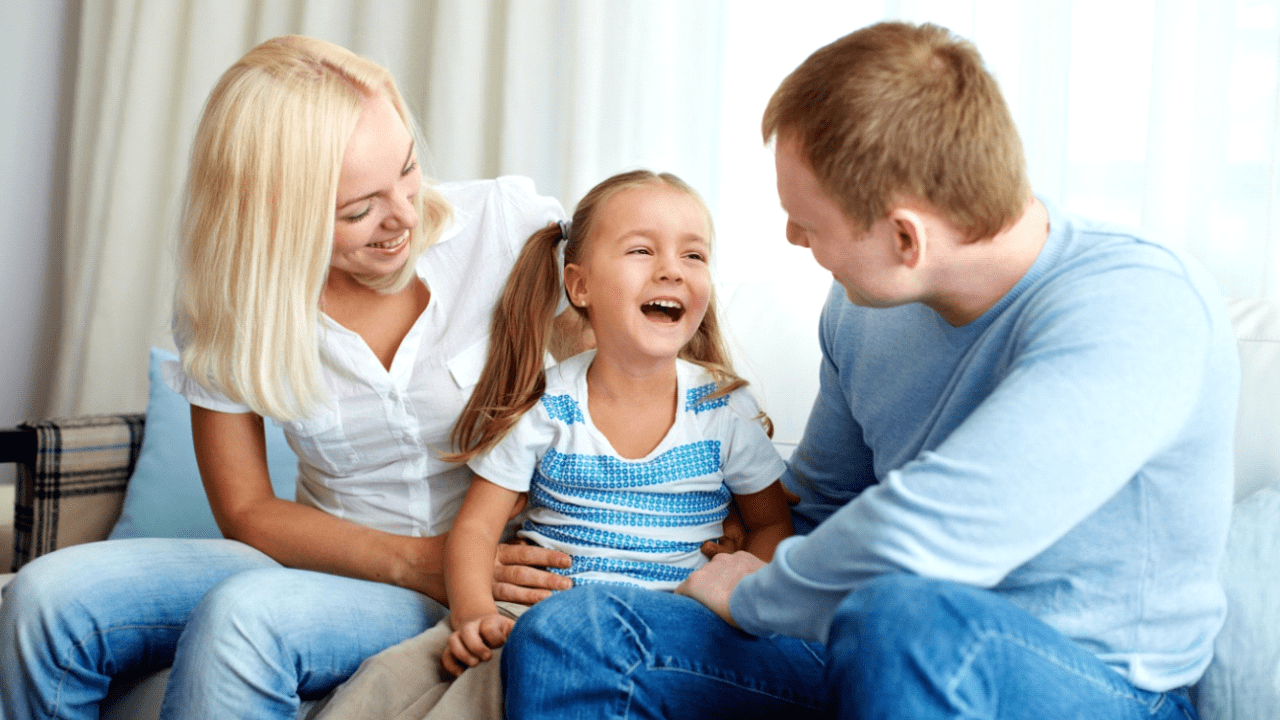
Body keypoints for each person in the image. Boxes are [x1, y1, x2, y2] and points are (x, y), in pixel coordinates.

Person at [501, 21, 1239, 720]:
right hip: (867, 654)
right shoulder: (865, 309)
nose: (791, 237)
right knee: (580, 633)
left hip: (1096, 686)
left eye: (808, 222)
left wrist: (755, 597)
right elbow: (820, 505)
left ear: (905, 238)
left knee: (905, 614)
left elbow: (933, 532)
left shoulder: (1137, 309)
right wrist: (700, 535)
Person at [0, 35, 577, 720]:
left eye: (408, 169)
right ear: (277, 213)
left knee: (244, 615)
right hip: (339, 570)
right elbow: (246, 509)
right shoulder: (236, 298)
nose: (403, 216)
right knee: (43, 600)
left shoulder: (509, 228)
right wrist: (417, 560)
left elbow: (650, 351)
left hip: (490, 577)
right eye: (357, 210)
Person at [308, 170, 796, 720]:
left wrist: (738, 592)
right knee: (387, 686)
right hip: (523, 616)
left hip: (661, 633)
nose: (671, 271)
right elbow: (475, 530)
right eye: (642, 250)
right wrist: (473, 617)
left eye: (694, 256)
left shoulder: (721, 409)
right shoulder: (547, 406)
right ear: (579, 285)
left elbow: (771, 524)